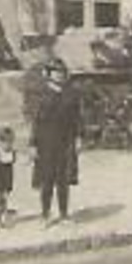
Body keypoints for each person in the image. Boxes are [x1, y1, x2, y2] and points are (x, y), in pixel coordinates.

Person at [28, 57, 82, 226]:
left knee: (63, 179)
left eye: (62, 72)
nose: (59, 76)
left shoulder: (70, 94)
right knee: (47, 179)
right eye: (55, 72)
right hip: (46, 143)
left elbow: (77, 119)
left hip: (65, 142)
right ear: (49, 74)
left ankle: (64, 214)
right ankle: (45, 214)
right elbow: (36, 122)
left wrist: (78, 137)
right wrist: (33, 144)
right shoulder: (42, 95)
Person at [0, 126, 18, 231]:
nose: (8, 145)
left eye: (10, 142)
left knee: (5, 199)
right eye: (5, 142)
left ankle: (3, 219)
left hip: (7, 178)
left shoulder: (13, 153)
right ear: (0, 142)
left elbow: (17, 160)